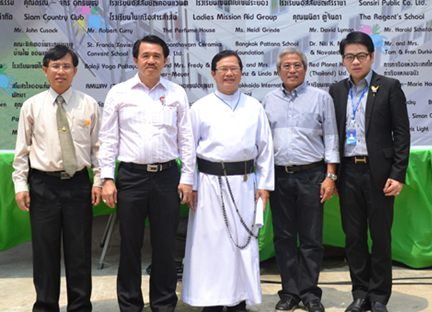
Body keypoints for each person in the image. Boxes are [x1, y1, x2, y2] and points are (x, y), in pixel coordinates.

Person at [98, 35, 195, 312]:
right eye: (145, 55)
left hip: (167, 177)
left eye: (156, 56)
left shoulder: (177, 93)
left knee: (165, 245)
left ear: (165, 60)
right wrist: (107, 178)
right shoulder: (119, 92)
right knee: (130, 245)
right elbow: (108, 140)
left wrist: (187, 178)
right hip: (131, 178)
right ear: (135, 59)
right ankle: (130, 305)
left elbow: (186, 139)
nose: (151, 60)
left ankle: (164, 304)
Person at [181, 50, 274, 312]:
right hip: (209, 185)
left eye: (234, 69)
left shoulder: (254, 107)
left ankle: (238, 299)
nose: (229, 73)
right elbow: (188, 151)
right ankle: (210, 301)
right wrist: (191, 184)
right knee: (211, 247)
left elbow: (265, 149)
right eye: (223, 69)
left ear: (241, 74)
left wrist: (264, 186)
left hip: (245, 185)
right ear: (213, 73)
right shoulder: (200, 107)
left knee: (241, 246)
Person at [12, 44, 101, 311]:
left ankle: (80, 306)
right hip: (43, 186)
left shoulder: (89, 104)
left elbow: (98, 148)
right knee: (44, 253)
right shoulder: (31, 106)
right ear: (45, 70)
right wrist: (20, 185)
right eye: (55, 65)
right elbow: (22, 150)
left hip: (77, 185)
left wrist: (98, 180)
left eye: (66, 66)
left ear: (75, 71)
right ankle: (46, 305)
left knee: (79, 253)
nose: (60, 71)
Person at [329, 31, 410, 312]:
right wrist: (333, 175)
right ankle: (360, 293)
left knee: (380, 236)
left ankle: (378, 297)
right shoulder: (337, 91)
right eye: (350, 56)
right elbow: (332, 135)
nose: (355, 61)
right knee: (353, 238)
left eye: (361, 56)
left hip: (380, 175)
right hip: (349, 174)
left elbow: (401, 134)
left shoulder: (388, 87)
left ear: (372, 57)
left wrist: (398, 174)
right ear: (343, 60)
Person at [262, 47, 339, 312]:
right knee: (283, 237)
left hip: (312, 175)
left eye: (297, 65)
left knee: (311, 238)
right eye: (286, 66)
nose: (292, 70)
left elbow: (331, 137)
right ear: (278, 71)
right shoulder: (268, 100)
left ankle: (310, 293)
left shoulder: (320, 98)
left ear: (305, 69)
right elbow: (264, 143)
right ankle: (289, 293)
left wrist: (330, 176)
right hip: (280, 176)